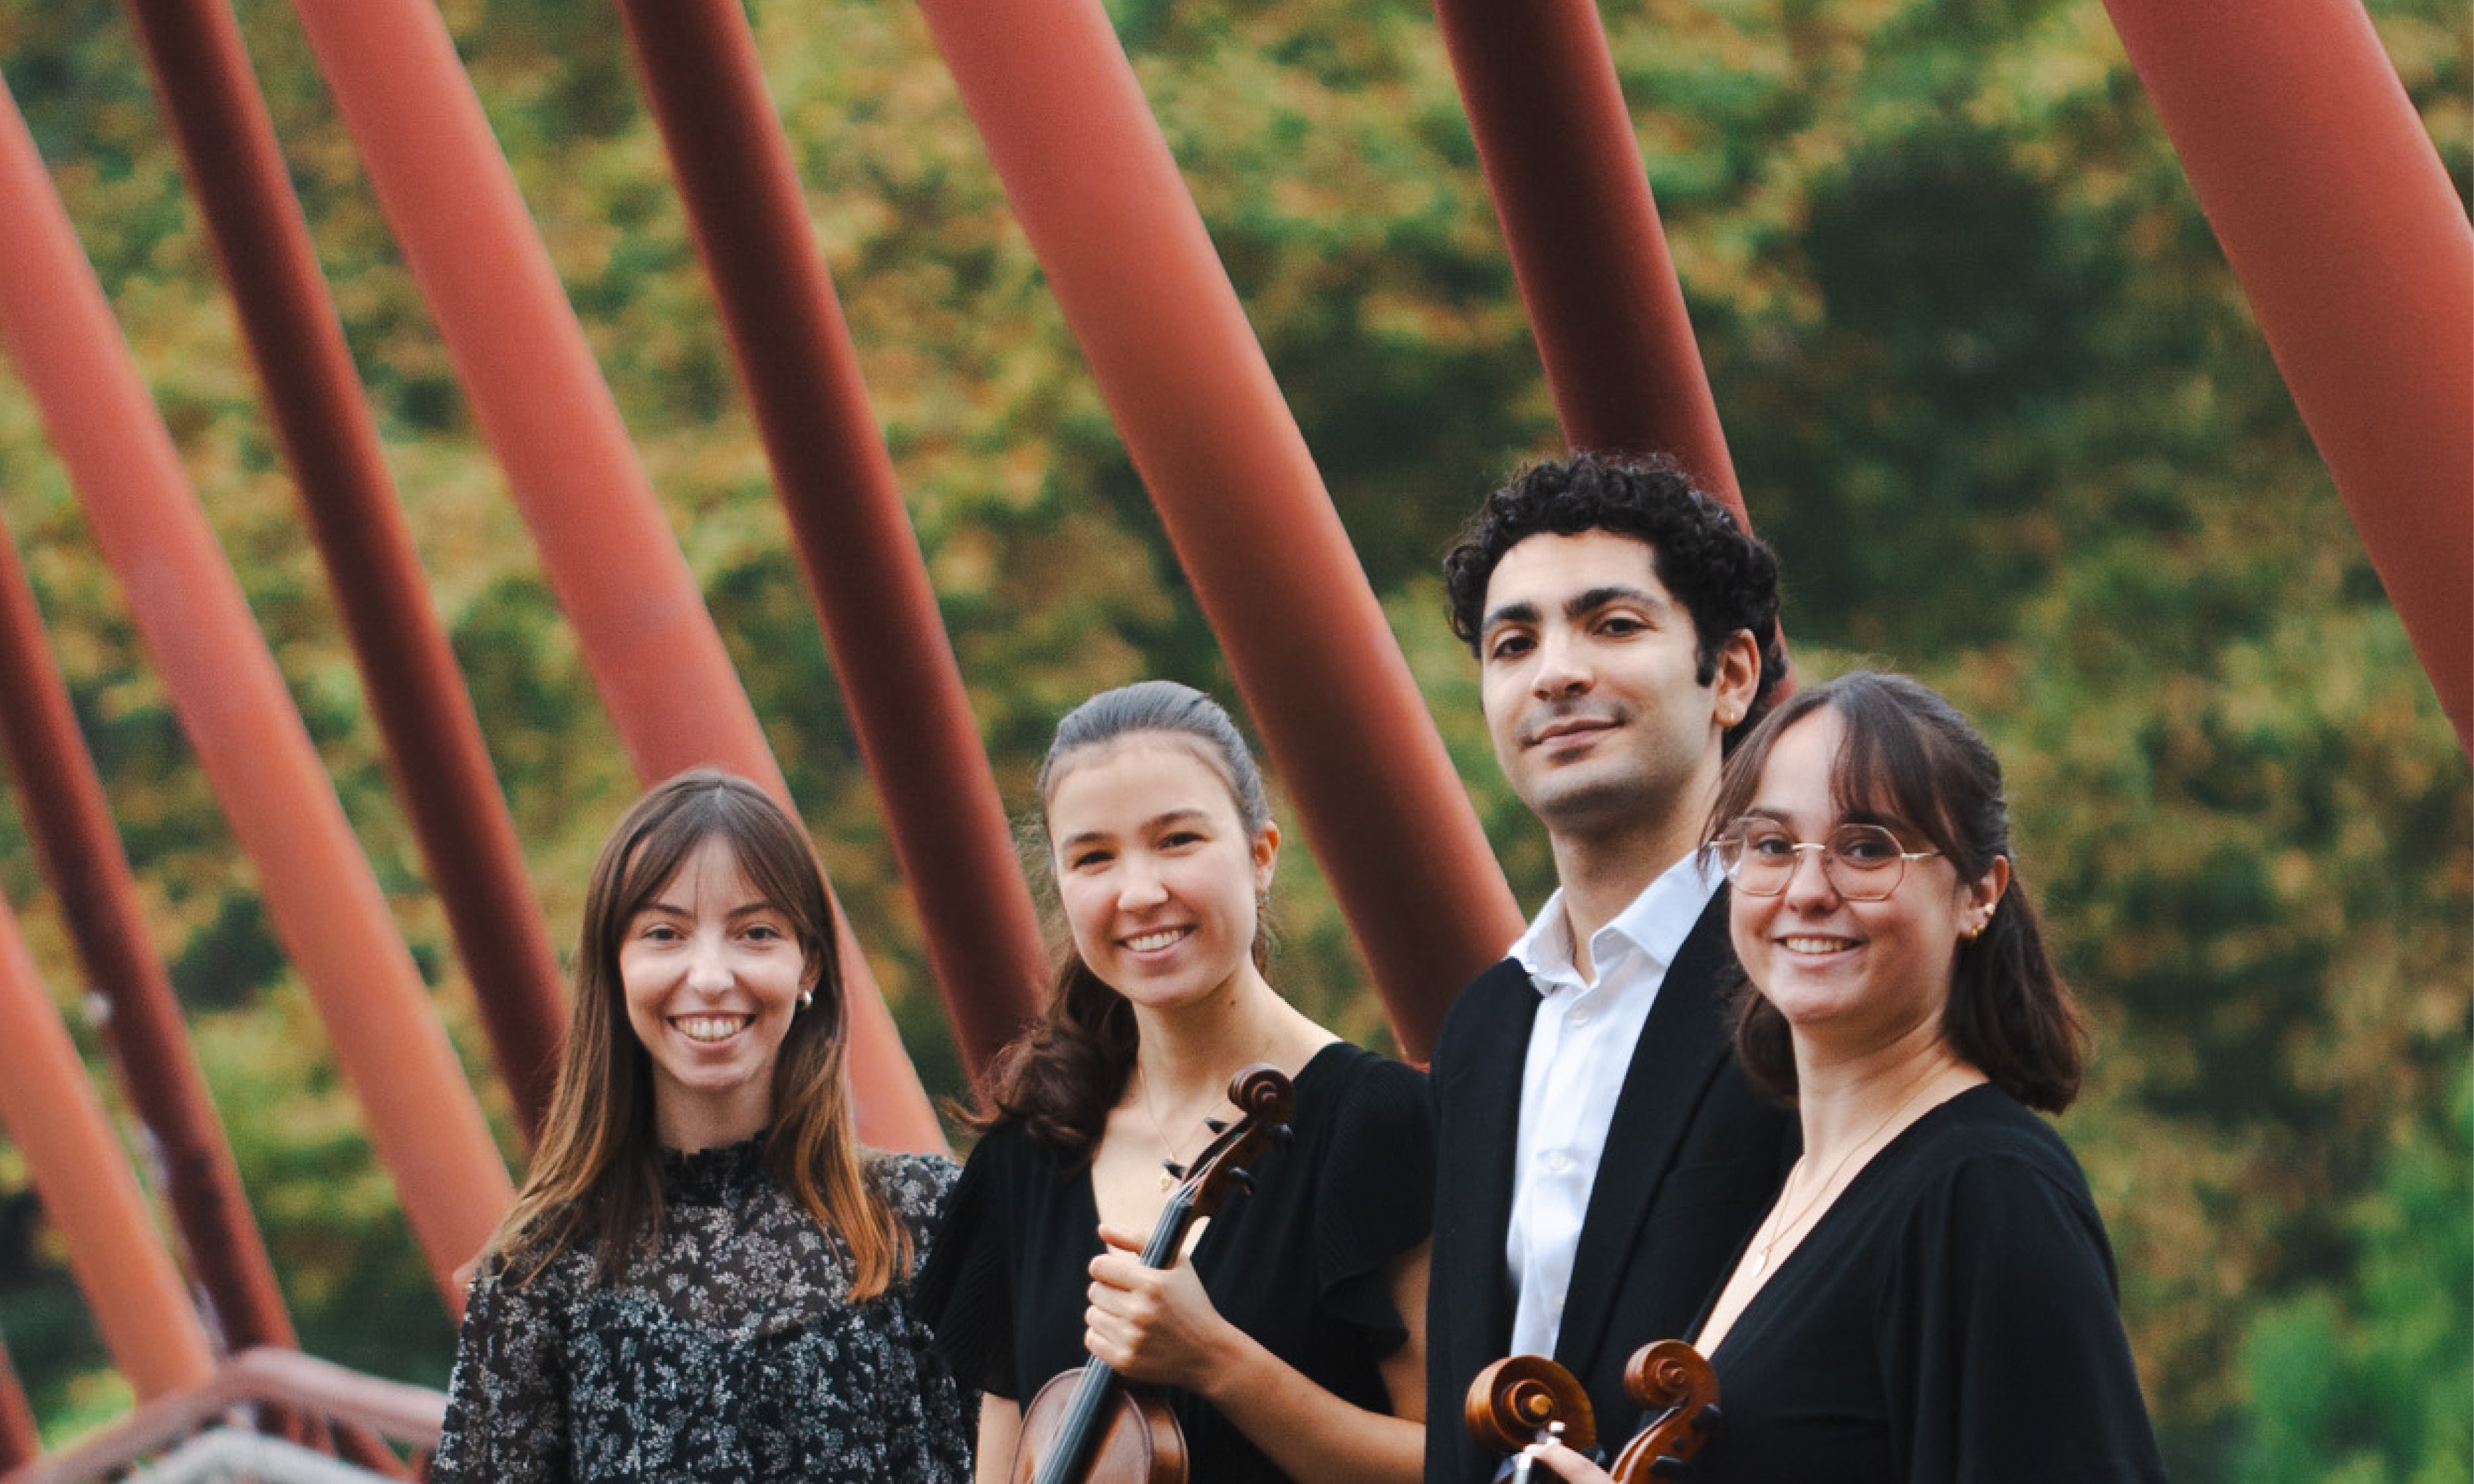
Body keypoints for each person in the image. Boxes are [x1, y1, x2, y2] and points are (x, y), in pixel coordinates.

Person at [1520, 671, 2168, 1482]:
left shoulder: (1988, 1190)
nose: (1806, 890)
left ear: (1979, 894)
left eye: (1866, 849)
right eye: (1769, 845)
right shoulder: (1804, 1184)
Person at [916, 681, 1434, 1484]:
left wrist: (1219, 1362)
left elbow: (1456, 1462)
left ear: (1261, 856)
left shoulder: (1382, 1122)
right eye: (1094, 857)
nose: (1139, 893)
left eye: (1178, 840)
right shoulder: (1030, 1157)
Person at [431, 770, 973, 1483]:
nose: (710, 976)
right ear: (614, 968)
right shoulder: (541, 1270)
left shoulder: (924, 1218)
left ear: (809, 965)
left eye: (755, 933)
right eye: (665, 934)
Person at [1426, 454, 1800, 1484]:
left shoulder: (1804, 987)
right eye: (1513, 644)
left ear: (1730, 675)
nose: (1554, 673)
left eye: (1613, 624)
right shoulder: (1482, 1030)